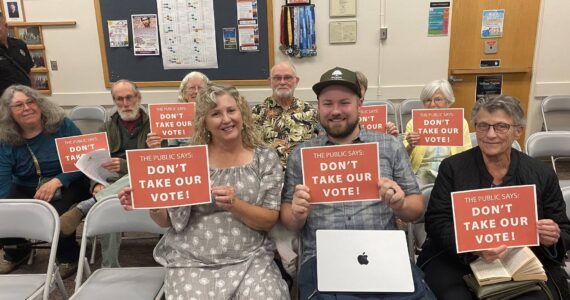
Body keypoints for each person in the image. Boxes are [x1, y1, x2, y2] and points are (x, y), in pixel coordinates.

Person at [119, 84, 290, 299]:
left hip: (249, 258)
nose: (226, 119)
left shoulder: (265, 158)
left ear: (242, 113)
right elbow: (166, 221)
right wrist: (151, 200)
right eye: (216, 114)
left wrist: (235, 204)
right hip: (192, 260)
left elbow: (268, 220)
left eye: (231, 110)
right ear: (204, 122)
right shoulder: (188, 159)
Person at [280, 67, 429, 299]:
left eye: (344, 103)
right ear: (319, 106)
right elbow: (289, 221)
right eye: (328, 103)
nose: (336, 111)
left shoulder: (389, 146)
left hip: (384, 253)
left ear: (360, 104)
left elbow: (416, 207)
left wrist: (400, 204)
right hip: (324, 256)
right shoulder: (301, 155)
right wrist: (298, 213)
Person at [416, 95, 570, 299]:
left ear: (518, 131)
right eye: (483, 126)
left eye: (501, 127)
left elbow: (563, 228)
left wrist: (552, 237)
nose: (490, 134)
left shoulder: (541, 173)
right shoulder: (453, 168)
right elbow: (437, 222)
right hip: (458, 259)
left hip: (522, 260)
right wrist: (473, 247)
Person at [59, 79, 160, 267]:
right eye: (119, 99)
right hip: (112, 184)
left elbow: (162, 165)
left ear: (138, 97)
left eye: (129, 97)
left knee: (110, 199)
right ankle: (109, 267)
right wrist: (95, 184)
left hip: (146, 182)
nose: (125, 103)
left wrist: (126, 164)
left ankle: (86, 206)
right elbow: (93, 163)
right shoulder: (106, 127)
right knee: (110, 204)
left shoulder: (155, 125)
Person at [0, 85, 90, 278]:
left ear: (39, 104)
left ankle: (68, 256)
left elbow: (83, 160)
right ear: (10, 112)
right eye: (18, 105)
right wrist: (4, 206)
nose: (26, 108)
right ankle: (16, 251)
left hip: (69, 180)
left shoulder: (62, 125)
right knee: (6, 207)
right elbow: (3, 177)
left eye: (30, 102)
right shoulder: (5, 137)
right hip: (25, 183)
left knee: (56, 212)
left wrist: (58, 180)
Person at [403, 80, 471, 185]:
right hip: (421, 176)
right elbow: (402, 158)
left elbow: (467, 155)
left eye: (438, 99)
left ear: (448, 102)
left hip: (450, 175)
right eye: (428, 100)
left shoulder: (460, 122)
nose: (432, 104)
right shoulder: (413, 123)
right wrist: (410, 146)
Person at [252, 61, 319, 167]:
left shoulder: (310, 112)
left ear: (296, 81)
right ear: (270, 82)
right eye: (277, 78)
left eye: (287, 77)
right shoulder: (255, 113)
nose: (282, 82)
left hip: (303, 174)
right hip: (269, 176)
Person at [146, 71, 209, 149]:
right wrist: (156, 147)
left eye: (200, 88)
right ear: (183, 93)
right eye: (192, 88)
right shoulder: (174, 115)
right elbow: (171, 150)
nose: (196, 91)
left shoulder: (215, 114)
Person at [355, 70, 399, 136]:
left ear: (365, 90)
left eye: (360, 89)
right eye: (354, 88)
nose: (356, 92)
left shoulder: (377, 113)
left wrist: (391, 136)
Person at [0, 13, 33, 95]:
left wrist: (36, 96)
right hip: (4, 103)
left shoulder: (20, 44)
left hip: (26, 97)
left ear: (6, 26)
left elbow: (29, 73)